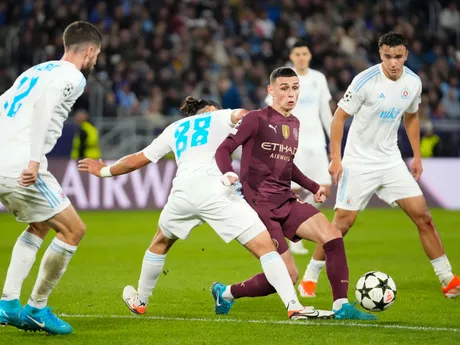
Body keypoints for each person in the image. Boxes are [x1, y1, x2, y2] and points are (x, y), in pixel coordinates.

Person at [78, 96, 334, 320]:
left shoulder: (174, 127)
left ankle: (141, 302)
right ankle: (294, 307)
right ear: (211, 109)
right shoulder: (220, 116)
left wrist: (103, 171)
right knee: (266, 248)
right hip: (217, 189)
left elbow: (138, 159)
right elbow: (246, 116)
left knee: (159, 242)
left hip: (183, 194)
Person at [303, 32, 460, 299]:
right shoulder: (365, 81)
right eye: (388, 56)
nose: (393, 62)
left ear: (406, 55)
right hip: (358, 162)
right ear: (381, 55)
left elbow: (411, 117)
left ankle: (448, 279)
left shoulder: (413, 82)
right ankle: (309, 277)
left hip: (390, 160)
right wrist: (336, 159)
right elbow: (338, 119)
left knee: (423, 217)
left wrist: (417, 156)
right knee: (341, 224)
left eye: (398, 56)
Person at [214, 67, 375, 320]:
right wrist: (228, 173)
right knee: (288, 275)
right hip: (260, 204)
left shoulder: (294, 123)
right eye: (284, 88)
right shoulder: (256, 118)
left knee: (332, 235)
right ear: (271, 91)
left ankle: (341, 305)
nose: (291, 94)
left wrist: (313, 186)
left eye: (295, 88)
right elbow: (223, 149)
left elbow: (287, 165)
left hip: (285, 198)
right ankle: (226, 293)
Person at [0, 21, 102, 335]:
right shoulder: (74, 76)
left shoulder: (35, 71)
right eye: (96, 54)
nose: (95, 60)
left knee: (41, 223)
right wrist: (32, 160)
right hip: (21, 163)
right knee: (74, 229)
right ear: (88, 51)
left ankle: (8, 302)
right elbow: (45, 106)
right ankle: (37, 308)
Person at [265, 40, 333, 260]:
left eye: (305, 53)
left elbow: (325, 111)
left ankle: (296, 227)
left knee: (324, 189)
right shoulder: (282, 77)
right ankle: (294, 238)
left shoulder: (318, 79)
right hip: (292, 142)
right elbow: (272, 110)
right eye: (297, 53)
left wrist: (334, 141)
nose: (301, 57)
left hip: (317, 142)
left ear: (310, 55)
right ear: (292, 56)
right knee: (291, 191)